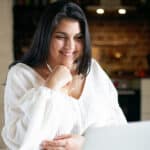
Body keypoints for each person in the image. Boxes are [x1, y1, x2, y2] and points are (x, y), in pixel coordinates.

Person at [1, 1, 127, 150]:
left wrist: (85, 144)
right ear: (45, 37)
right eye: (61, 37)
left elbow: (119, 131)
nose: (70, 46)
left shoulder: (93, 70)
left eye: (78, 37)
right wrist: (50, 87)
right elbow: (21, 142)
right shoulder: (21, 75)